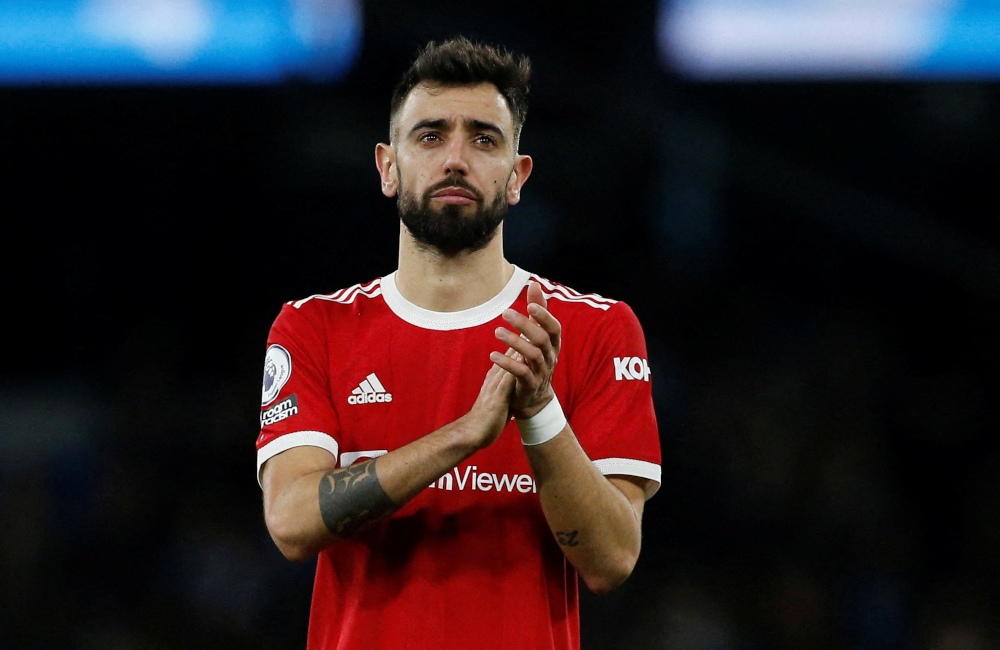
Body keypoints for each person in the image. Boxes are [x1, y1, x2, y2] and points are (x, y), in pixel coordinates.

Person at [256, 37, 661, 650]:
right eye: (429, 135)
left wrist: (539, 412)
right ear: (387, 167)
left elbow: (611, 561)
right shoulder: (315, 328)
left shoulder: (594, 329)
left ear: (517, 175)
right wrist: (465, 434)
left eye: (484, 138)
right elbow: (290, 522)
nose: (455, 158)